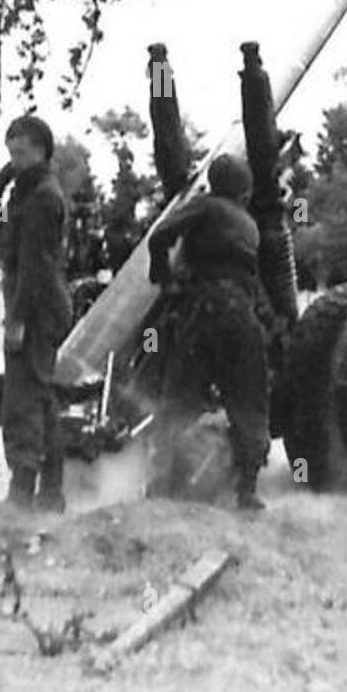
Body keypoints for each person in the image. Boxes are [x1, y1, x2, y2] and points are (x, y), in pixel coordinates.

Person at [145, 153, 271, 511]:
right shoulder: (250, 225)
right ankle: (247, 490)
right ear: (243, 191)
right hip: (242, 318)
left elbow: (160, 236)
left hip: (204, 312)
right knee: (249, 401)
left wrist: (163, 277)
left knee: (179, 398)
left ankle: (161, 483)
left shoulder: (205, 207)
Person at [0, 114, 72, 512]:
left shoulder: (44, 198)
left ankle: (24, 489)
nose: (14, 161)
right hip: (30, 303)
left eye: (20, 153)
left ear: (40, 150)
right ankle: (49, 492)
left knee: (22, 400)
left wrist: (17, 319)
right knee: (40, 397)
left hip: (36, 308)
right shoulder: (21, 194)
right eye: (10, 154)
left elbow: (35, 265)